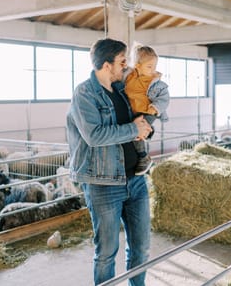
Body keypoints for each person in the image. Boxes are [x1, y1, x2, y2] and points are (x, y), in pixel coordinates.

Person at [66, 38, 153, 286]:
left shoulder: (122, 91)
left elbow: (136, 122)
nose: (126, 67)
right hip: (103, 183)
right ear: (106, 65)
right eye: (122, 62)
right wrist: (132, 129)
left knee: (142, 248)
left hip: (135, 179)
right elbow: (94, 136)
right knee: (106, 253)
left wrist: (146, 126)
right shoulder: (85, 94)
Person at [124, 45, 169, 175]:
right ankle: (148, 132)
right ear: (137, 66)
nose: (153, 70)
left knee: (137, 134)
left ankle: (143, 157)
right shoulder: (129, 76)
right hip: (132, 112)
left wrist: (156, 107)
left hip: (148, 111)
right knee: (132, 131)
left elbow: (164, 98)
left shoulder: (155, 82)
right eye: (149, 67)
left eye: (154, 66)